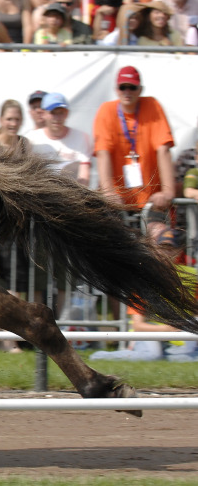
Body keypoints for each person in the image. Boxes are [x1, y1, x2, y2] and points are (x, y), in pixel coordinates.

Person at [90, 226, 197, 362]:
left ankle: (172, 355)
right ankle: (102, 357)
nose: (166, 253)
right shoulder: (144, 278)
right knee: (152, 355)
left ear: (179, 251)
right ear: (155, 249)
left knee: (184, 355)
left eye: (170, 248)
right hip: (149, 334)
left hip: (177, 336)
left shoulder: (192, 276)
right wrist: (166, 330)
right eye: (162, 247)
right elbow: (138, 325)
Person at [94, 65, 174, 217]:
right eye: (123, 87)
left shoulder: (152, 105)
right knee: (109, 239)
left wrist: (167, 192)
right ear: (116, 89)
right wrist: (109, 192)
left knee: (161, 236)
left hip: (152, 202)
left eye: (132, 87)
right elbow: (102, 153)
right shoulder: (106, 110)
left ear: (140, 89)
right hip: (118, 203)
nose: (127, 92)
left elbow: (163, 149)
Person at [25, 92, 92, 186]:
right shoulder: (30, 139)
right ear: (44, 114)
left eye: (61, 112)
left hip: (73, 196)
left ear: (67, 113)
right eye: (53, 112)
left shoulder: (82, 137)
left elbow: (84, 176)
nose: (57, 118)